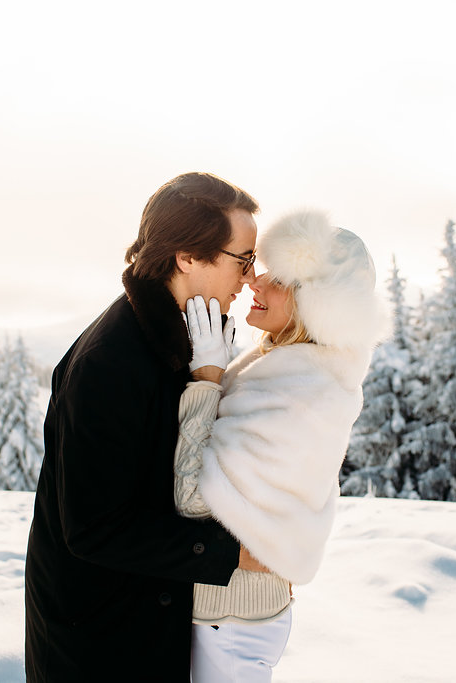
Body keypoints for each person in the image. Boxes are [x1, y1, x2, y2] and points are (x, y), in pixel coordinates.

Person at [24, 172, 272, 682]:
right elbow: (94, 528)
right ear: (187, 257)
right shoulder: (110, 363)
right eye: (243, 259)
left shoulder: (185, 334)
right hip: (98, 647)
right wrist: (229, 553)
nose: (250, 278)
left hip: (143, 627)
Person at [174, 209, 387, 682]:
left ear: (317, 304)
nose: (256, 283)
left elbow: (193, 499)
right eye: (259, 269)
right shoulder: (291, 366)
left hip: (229, 620)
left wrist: (207, 380)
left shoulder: (299, 392)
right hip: (230, 610)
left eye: (279, 279)